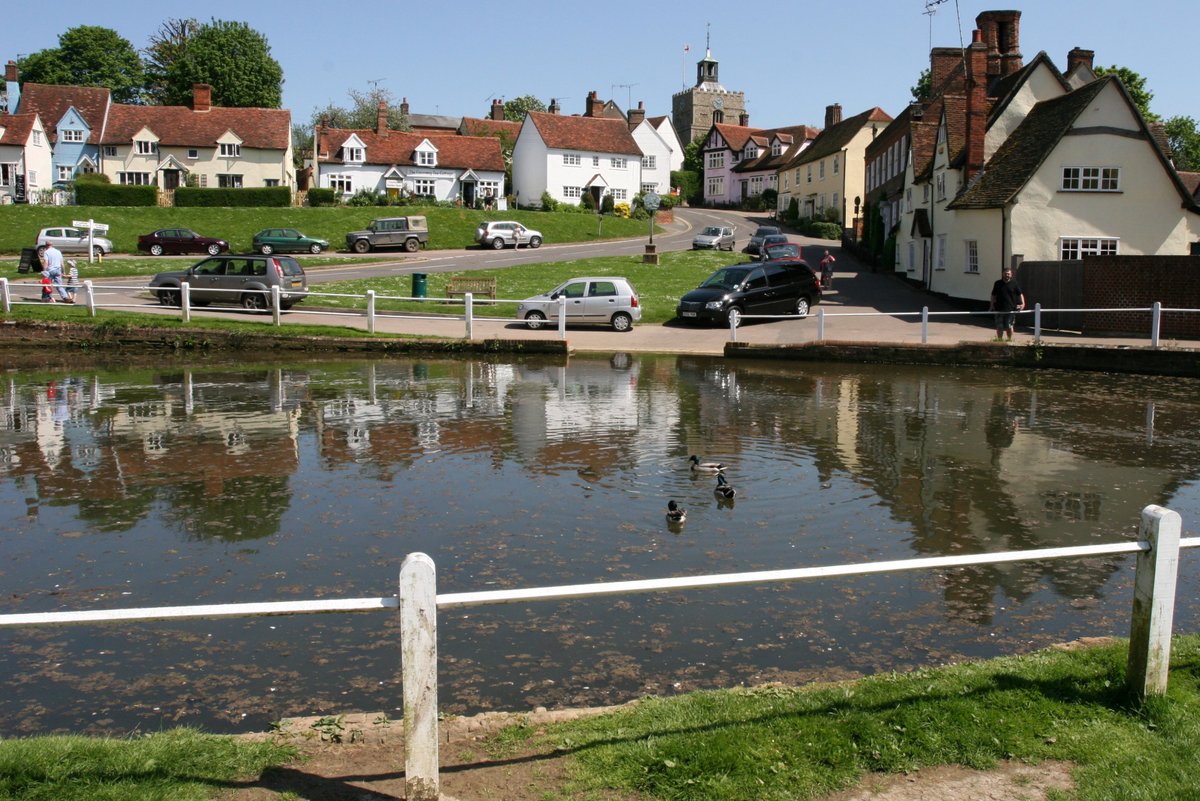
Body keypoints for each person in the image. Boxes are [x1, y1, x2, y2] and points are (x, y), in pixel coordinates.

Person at [990, 267, 1026, 341]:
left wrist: (1023, 304)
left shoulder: (1014, 283)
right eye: (1005, 274)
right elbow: (993, 295)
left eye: (1008, 274)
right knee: (999, 327)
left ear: (1011, 274)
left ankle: (1009, 340)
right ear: (1002, 274)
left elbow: (1020, 294)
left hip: (1011, 309)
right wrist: (992, 306)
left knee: (1009, 326)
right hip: (999, 309)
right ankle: (999, 341)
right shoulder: (997, 283)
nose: (1007, 275)